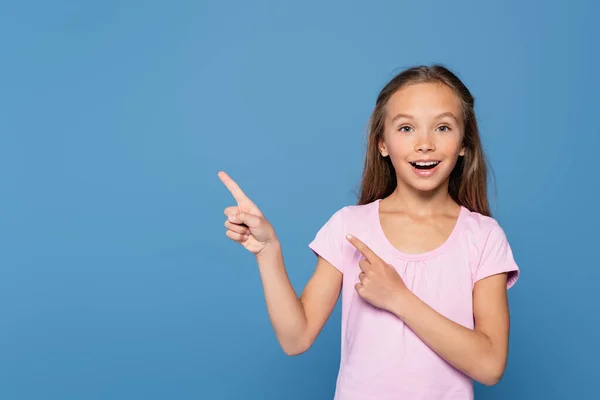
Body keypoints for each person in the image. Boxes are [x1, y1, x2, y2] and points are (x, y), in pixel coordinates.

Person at [218, 64, 520, 400]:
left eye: (443, 127)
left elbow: (491, 366)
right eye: (406, 128)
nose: (424, 144)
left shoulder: (484, 237)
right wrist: (268, 252)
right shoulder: (349, 226)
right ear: (382, 143)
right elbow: (296, 338)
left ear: (464, 143)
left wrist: (399, 298)